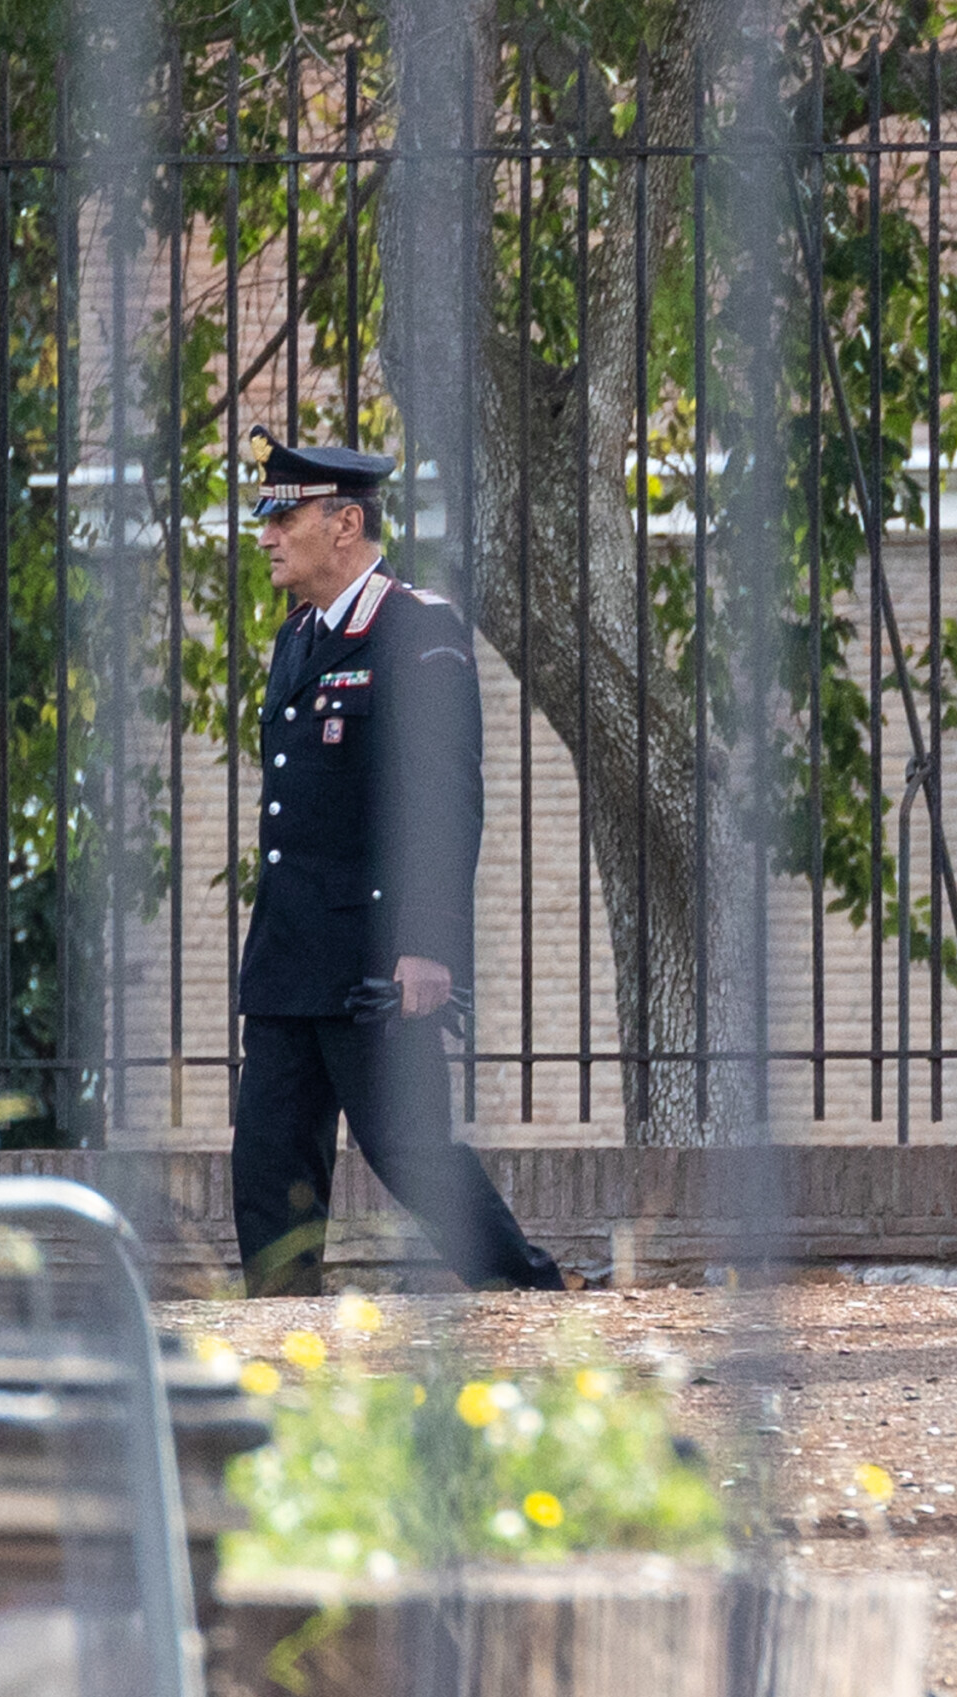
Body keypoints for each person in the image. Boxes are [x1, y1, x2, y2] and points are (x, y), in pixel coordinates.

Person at [231, 426, 565, 1296]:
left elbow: (444, 804)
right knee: (268, 1167)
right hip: (286, 958)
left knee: (415, 1156)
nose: (264, 533)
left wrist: (427, 945)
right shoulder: (296, 638)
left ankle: (527, 1296)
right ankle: (281, 1346)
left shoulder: (415, 631)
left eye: (281, 513)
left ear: (345, 525)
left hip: (371, 961)